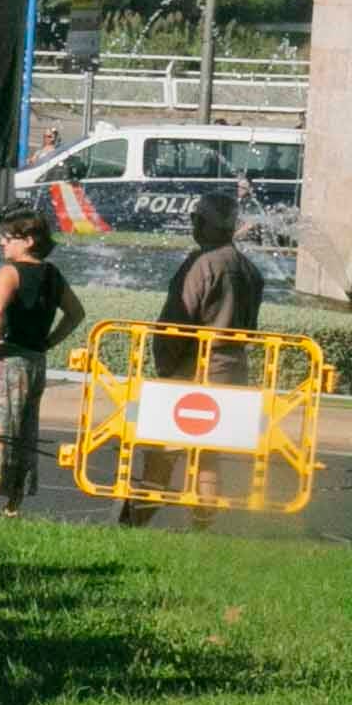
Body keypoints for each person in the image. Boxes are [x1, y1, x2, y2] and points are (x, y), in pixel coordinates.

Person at [120, 193, 261, 528]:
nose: (192, 224)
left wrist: (164, 365)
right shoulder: (248, 269)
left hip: (193, 370)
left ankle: (132, 524)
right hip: (232, 370)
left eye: (197, 218)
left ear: (208, 223)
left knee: (161, 453)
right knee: (208, 456)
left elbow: (176, 321)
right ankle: (201, 529)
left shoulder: (202, 263)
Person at [0, 209, 82, 516]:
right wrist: (49, 342)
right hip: (35, 361)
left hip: (8, 361)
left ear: (28, 240)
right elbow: (76, 313)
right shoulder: (52, 274)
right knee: (24, 431)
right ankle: (14, 503)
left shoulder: (9, 273)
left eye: (8, 239)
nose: (2, 244)